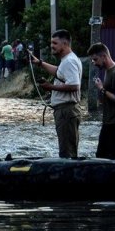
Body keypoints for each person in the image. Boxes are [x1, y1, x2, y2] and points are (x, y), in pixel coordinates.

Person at [30, 29, 83, 158]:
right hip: (65, 111)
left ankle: (69, 177)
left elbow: (74, 85)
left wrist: (50, 87)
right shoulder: (67, 60)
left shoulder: (69, 61)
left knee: (67, 153)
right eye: (51, 43)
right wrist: (40, 63)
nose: (51, 46)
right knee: (67, 150)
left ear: (65, 44)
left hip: (67, 111)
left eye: (55, 43)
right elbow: (59, 72)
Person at [87, 42, 115, 160]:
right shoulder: (107, 71)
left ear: (104, 56)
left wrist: (102, 89)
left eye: (95, 59)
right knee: (100, 156)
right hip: (108, 122)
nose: (94, 63)